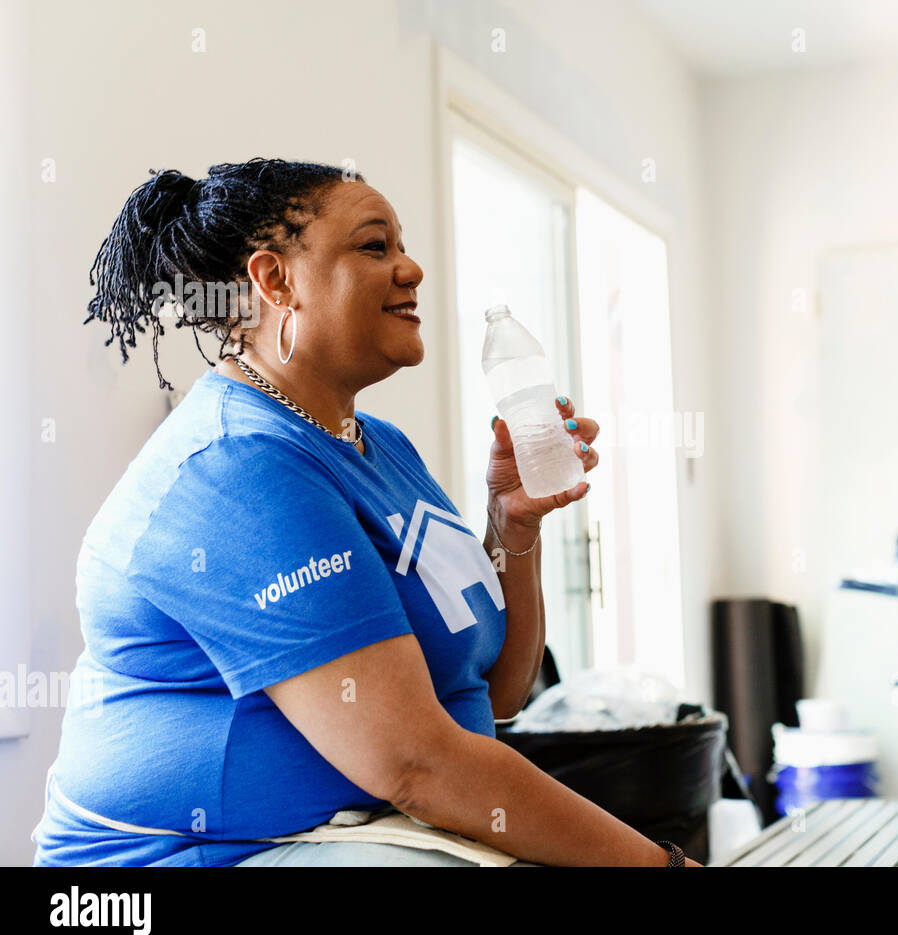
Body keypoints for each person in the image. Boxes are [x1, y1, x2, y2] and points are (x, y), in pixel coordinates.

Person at [32, 158, 699, 867]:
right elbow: (417, 764)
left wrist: (513, 523)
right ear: (274, 280)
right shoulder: (237, 464)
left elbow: (495, 692)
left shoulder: (377, 446)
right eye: (374, 246)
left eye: (402, 247)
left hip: (366, 830)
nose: (410, 269)